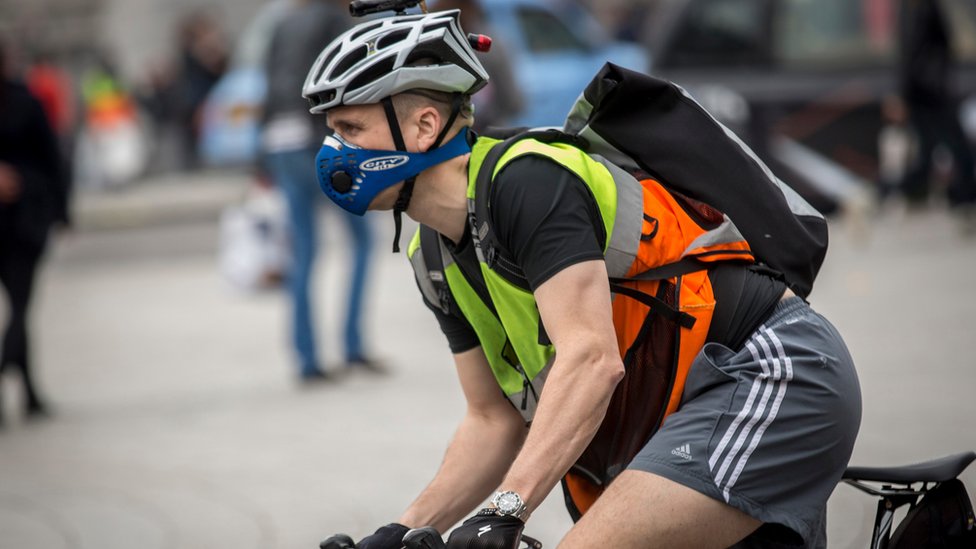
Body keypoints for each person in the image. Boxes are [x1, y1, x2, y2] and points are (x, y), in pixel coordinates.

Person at [304, 10, 861, 548]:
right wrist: (403, 530)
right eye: (331, 132)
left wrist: (506, 507)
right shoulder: (431, 253)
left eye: (350, 127)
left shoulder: (525, 180)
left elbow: (592, 360)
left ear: (424, 126)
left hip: (768, 373)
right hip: (677, 413)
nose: (333, 151)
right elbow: (493, 419)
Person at [261, 0, 379, 382]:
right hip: (318, 142)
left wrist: (257, 160)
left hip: (279, 143)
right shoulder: (334, 20)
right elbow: (345, 86)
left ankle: (306, 359)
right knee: (361, 240)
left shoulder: (282, 23)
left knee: (304, 252)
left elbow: (267, 87)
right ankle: (353, 345)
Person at [0, 38, 70, 425]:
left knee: (21, 309)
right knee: (21, 310)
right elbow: (52, 160)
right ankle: (26, 390)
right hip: (25, 219)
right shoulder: (25, 101)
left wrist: (61, 211)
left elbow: (52, 158)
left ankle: (28, 393)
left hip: (23, 221)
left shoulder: (25, 101)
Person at [896, 0, 976, 218]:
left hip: (934, 90)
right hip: (919, 92)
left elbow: (943, 45)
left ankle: (963, 196)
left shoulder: (927, 7)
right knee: (926, 148)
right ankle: (908, 192)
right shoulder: (906, 9)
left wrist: (938, 79)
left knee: (954, 144)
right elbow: (906, 56)